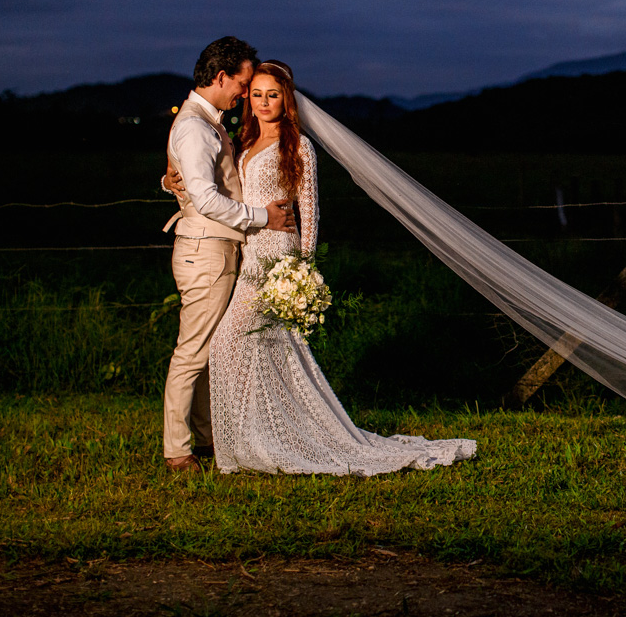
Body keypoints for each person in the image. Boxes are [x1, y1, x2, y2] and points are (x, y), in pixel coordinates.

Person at [201, 60, 476, 475]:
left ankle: (273, 437)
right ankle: (256, 436)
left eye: (272, 94)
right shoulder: (247, 140)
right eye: (256, 94)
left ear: (287, 98)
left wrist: (303, 270)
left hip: (279, 257)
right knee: (256, 349)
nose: (262, 102)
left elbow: (308, 212)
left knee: (231, 343)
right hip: (249, 255)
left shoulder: (298, 146)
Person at [161, 38, 297, 473]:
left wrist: (169, 181)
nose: (245, 92)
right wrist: (263, 217)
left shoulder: (207, 122)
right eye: (242, 83)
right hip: (207, 252)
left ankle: (206, 439)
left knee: (209, 351)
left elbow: (192, 179)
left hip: (217, 249)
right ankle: (178, 451)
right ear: (220, 78)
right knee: (193, 353)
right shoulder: (196, 127)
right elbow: (204, 197)